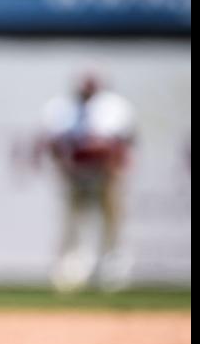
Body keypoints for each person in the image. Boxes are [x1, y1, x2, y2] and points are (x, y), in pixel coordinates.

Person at [39, 74, 137, 293]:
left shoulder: (114, 107)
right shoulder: (63, 109)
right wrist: (65, 166)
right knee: (73, 222)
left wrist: (115, 167)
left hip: (106, 174)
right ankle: (72, 268)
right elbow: (54, 144)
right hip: (76, 174)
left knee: (112, 220)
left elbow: (126, 142)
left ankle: (112, 267)